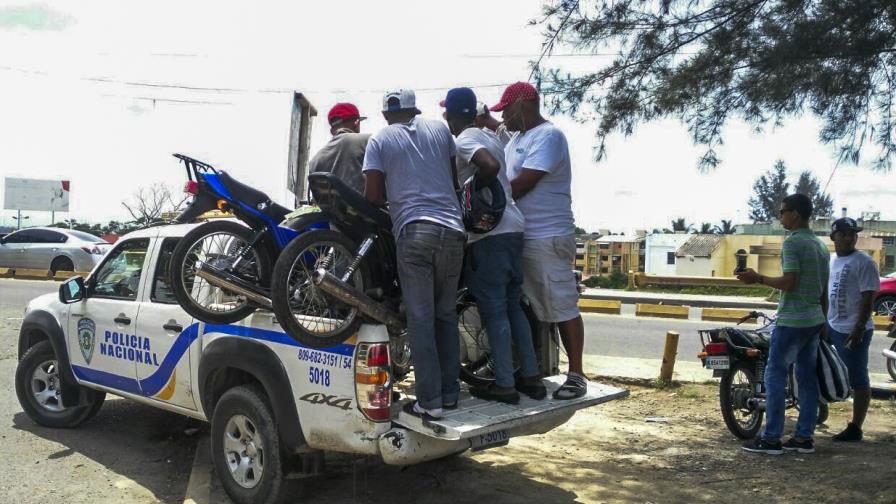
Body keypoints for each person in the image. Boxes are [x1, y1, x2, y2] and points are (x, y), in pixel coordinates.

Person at [363, 89, 466, 420]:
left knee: (421, 320)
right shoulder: (440, 129)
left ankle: (429, 402)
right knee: (445, 315)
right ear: (415, 108)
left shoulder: (379, 141)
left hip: (414, 232)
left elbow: (373, 195)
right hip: (453, 231)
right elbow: (453, 182)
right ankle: (450, 395)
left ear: (384, 115)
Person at [442, 87, 546, 404]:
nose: (445, 117)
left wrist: (471, 195)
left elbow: (489, 167)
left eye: (446, 112)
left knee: (494, 311)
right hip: (513, 229)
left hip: (489, 235)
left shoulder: (466, 140)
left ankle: (504, 384)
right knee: (512, 306)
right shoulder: (490, 137)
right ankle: (530, 376)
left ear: (452, 115)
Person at [491, 81, 588, 400]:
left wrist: (489, 198)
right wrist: (485, 123)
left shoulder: (549, 136)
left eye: (507, 110)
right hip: (522, 234)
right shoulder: (518, 136)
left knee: (560, 304)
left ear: (523, 105)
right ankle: (531, 369)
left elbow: (521, 185)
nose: (504, 117)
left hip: (547, 235)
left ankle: (576, 375)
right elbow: (498, 134)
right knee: (531, 305)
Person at [737, 193, 829, 455]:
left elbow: (789, 282)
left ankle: (771, 439)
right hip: (813, 320)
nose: (780, 216)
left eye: (783, 211)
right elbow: (823, 289)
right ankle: (803, 438)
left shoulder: (793, 244)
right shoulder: (821, 246)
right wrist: (824, 321)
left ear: (796, 214)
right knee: (807, 379)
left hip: (792, 321)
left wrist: (757, 278)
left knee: (774, 375)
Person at [826, 217, 880, 442]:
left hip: (853, 330)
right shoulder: (830, 260)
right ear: (834, 237)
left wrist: (858, 328)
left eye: (853, 234)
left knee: (858, 377)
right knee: (821, 365)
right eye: (844, 234)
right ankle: (820, 409)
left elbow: (869, 298)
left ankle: (855, 427)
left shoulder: (864, 262)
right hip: (830, 325)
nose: (849, 238)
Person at [307, 102, 370, 194]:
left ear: (332, 131)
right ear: (356, 123)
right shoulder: (369, 141)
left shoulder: (315, 161)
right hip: (364, 207)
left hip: (329, 208)